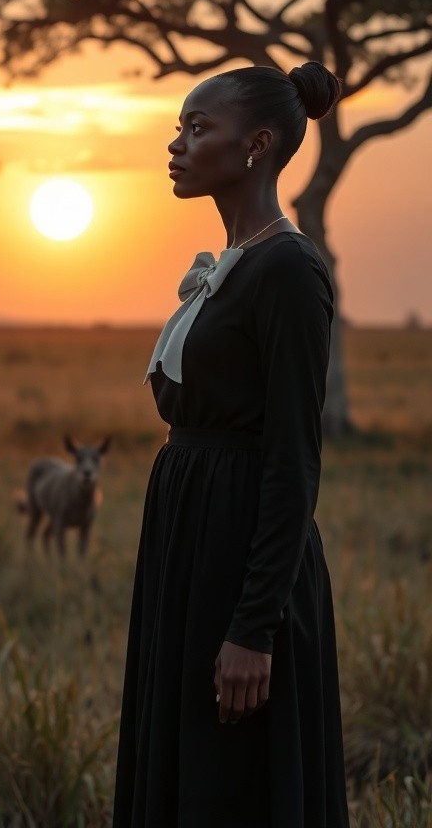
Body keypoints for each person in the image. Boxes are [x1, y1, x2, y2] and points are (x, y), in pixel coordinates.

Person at [112, 62, 350, 828]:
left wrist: (254, 627)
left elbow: (293, 462)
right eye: (180, 127)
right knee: (190, 763)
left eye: (196, 128)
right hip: (191, 546)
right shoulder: (233, 265)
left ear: (256, 145)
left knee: (237, 782)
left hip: (241, 554)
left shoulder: (286, 269)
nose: (176, 144)